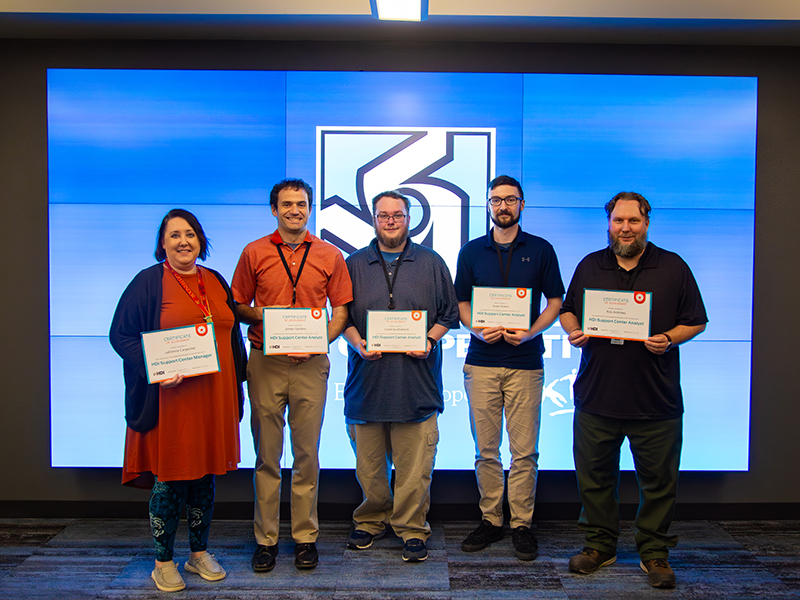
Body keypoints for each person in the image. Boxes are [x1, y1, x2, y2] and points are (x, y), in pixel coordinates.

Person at [559, 192, 707, 588]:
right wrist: (573, 329)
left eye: (634, 221)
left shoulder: (673, 267)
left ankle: (654, 552)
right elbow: (568, 308)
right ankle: (599, 545)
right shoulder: (590, 264)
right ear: (608, 223)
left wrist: (670, 338)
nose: (625, 228)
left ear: (646, 223)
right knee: (594, 478)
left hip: (655, 400)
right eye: (618, 221)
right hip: (596, 396)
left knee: (659, 482)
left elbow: (696, 320)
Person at [110, 209, 247, 593]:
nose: (184, 241)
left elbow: (230, 337)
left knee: (204, 479)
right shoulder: (148, 282)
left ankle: (198, 553)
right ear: (163, 243)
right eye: (175, 235)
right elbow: (120, 335)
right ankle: (163, 561)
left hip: (213, 397)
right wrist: (155, 370)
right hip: (171, 401)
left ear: (201, 240)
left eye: (190, 234)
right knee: (170, 481)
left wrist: (239, 387)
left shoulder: (216, 280)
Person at [231, 178, 353, 572]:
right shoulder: (254, 252)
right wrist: (272, 319)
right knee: (267, 455)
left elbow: (341, 313)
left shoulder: (330, 255)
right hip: (266, 361)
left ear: (310, 208)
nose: (294, 210)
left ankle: (305, 537)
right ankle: (265, 539)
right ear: (274, 209)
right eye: (286, 204)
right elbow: (237, 304)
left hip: (311, 364)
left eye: (301, 204)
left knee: (307, 455)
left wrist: (320, 340)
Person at [342, 190, 460, 563]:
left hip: (416, 384)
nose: (390, 221)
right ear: (373, 219)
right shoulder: (353, 264)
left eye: (397, 215)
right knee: (369, 466)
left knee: (414, 468)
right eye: (383, 215)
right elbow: (341, 317)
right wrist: (358, 342)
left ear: (409, 219)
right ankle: (372, 519)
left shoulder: (431, 261)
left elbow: (449, 315)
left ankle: (411, 527)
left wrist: (428, 339)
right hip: (367, 383)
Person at [454, 175, 564, 561]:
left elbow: (555, 301)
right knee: (486, 451)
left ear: (521, 205)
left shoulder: (541, 249)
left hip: (525, 363)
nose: (503, 206)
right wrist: (476, 329)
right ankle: (491, 520)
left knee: (525, 453)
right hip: (481, 362)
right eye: (496, 200)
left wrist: (532, 331)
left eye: (511, 200)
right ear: (488, 205)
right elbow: (462, 304)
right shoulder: (471, 252)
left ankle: (521, 524)